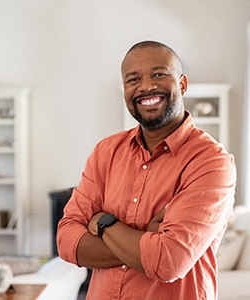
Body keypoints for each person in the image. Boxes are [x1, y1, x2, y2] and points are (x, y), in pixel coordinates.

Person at [57, 41, 236, 300]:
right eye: (133, 79)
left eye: (159, 74)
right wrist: (145, 239)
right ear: (125, 91)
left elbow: (168, 261)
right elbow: (66, 241)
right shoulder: (106, 152)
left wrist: (104, 224)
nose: (146, 86)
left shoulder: (211, 162)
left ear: (182, 84)